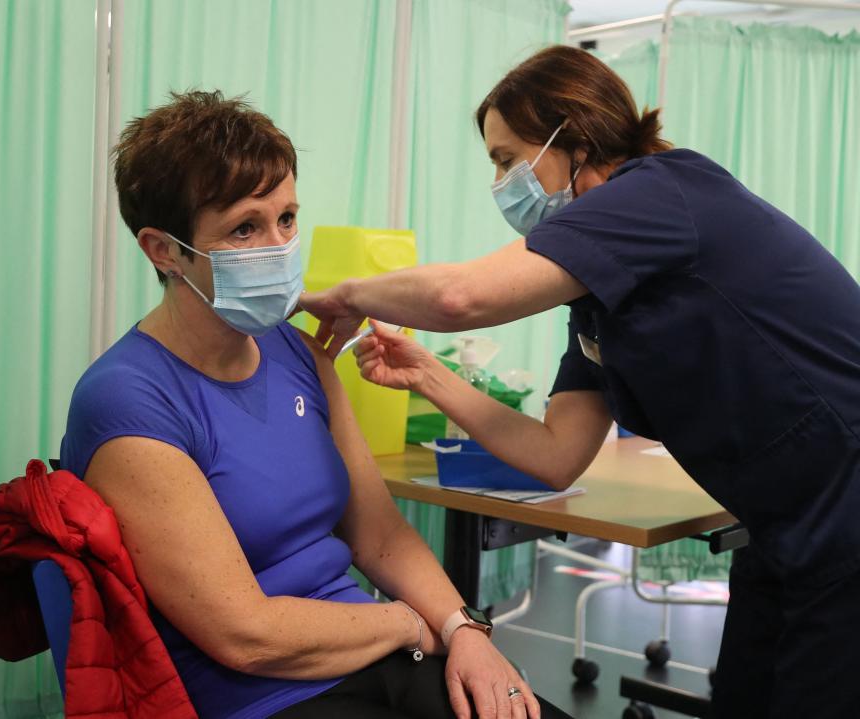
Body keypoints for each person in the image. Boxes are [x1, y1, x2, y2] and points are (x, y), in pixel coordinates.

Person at [300, 46, 860, 719]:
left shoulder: (661, 193)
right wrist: (428, 374)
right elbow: (558, 453)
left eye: (509, 158)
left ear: (577, 138)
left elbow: (458, 299)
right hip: (783, 521)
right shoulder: (597, 290)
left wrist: (348, 293)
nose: (502, 181)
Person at [58, 90, 544, 719]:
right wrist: (404, 625)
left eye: (286, 218)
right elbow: (245, 634)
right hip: (259, 696)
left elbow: (382, 537)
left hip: (373, 655)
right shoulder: (129, 398)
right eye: (244, 228)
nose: (278, 246)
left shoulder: (298, 353)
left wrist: (463, 632)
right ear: (164, 249)